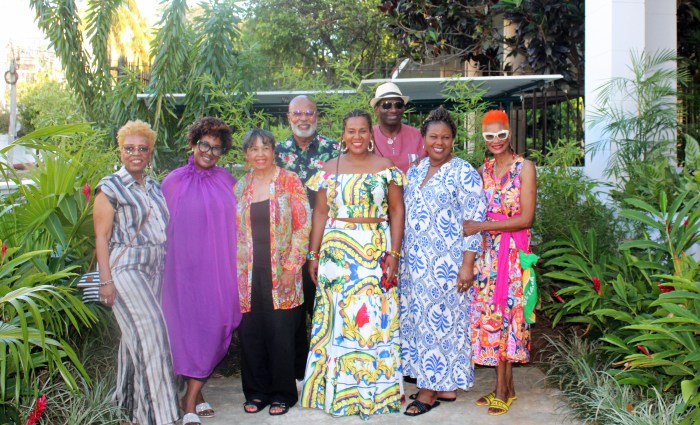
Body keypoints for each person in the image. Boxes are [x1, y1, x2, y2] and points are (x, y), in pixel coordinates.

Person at [300, 109, 406, 419]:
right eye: (351, 131)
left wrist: (394, 254)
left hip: (375, 251)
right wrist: (313, 254)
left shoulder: (386, 168)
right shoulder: (329, 169)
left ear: (370, 133)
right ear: (343, 135)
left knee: (373, 320)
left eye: (362, 131)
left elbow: (397, 212)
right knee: (338, 322)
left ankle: (374, 392)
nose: (357, 136)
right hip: (336, 256)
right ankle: (337, 390)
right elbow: (320, 214)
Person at [400, 106, 487, 416]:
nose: (440, 142)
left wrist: (468, 264)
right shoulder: (415, 171)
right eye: (434, 136)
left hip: (446, 265)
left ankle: (429, 391)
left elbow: (474, 219)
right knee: (420, 324)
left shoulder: (464, 171)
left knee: (440, 326)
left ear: (454, 140)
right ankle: (442, 384)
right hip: (414, 265)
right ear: (423, 139)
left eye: (446, 137)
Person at [94, 120, 178, 425]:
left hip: (155, 267)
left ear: (150, 151)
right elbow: (101, 238)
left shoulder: (154, 185)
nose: (136, 154)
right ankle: (161, 417)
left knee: (134, 342)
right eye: (130, 148)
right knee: (154, 336)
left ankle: (125, 409)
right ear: (121, 150)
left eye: (142, 148)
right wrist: (106, 281)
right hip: (127, 268)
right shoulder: (110, 186)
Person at [161, 117, 241, 425]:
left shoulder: (228, 181)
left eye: (216, 148)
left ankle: (191, 395)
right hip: (181, 272)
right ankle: (192, 400)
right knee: (185, 333)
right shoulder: (173, 181)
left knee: (218, 325)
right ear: (193, 144)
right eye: (204, 144)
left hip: (220, 271)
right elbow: (158, 226)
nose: (209, 152)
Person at [464, 109, 537, 416]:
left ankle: (501, 390)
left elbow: (525, 218)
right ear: (484, 138)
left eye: (501, 134)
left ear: (510, 134)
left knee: (508, 315)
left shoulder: (525, 168)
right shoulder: (483, 170)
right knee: (492, 315)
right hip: (486, 256)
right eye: (489, 136)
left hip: (511, 255)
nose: (495, 141)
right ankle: (507, 387)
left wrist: (481, 227)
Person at [235, 128, 310, 416]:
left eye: (265, 148)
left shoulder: (289, 181)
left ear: (273, 152)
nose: (260, 154)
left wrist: (293, 266)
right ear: (246, 155)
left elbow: (303, 226)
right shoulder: (240, 187)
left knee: (281, 333)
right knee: (252, 333)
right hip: (247, 274)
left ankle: (282, 393)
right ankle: (256, 392)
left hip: (283, 271)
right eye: (253, 149)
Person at [275, 95, 338, 382]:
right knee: (293, 311)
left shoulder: (334, 150)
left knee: (325, 306)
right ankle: (299, 371)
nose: (303, 118)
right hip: (288, 247)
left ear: (317, 116)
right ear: (288, 118)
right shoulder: (275, 152)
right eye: (297, 113)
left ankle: (328, 368)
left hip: (328, 242)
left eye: (308, 113)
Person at [370, 82, 426, 173]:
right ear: (377, 110)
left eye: (398, 105)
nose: (393, 110)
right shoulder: (367, 136)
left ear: (403, 108)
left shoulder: (418, 136)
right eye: (387, 105)